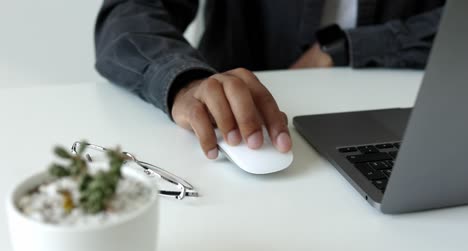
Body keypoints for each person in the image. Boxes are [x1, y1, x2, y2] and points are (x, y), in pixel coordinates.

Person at [94, 0, 444, 159]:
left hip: (402, 120)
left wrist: (342, 48)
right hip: (242, 125)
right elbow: (129, 11)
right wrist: (184, 80)